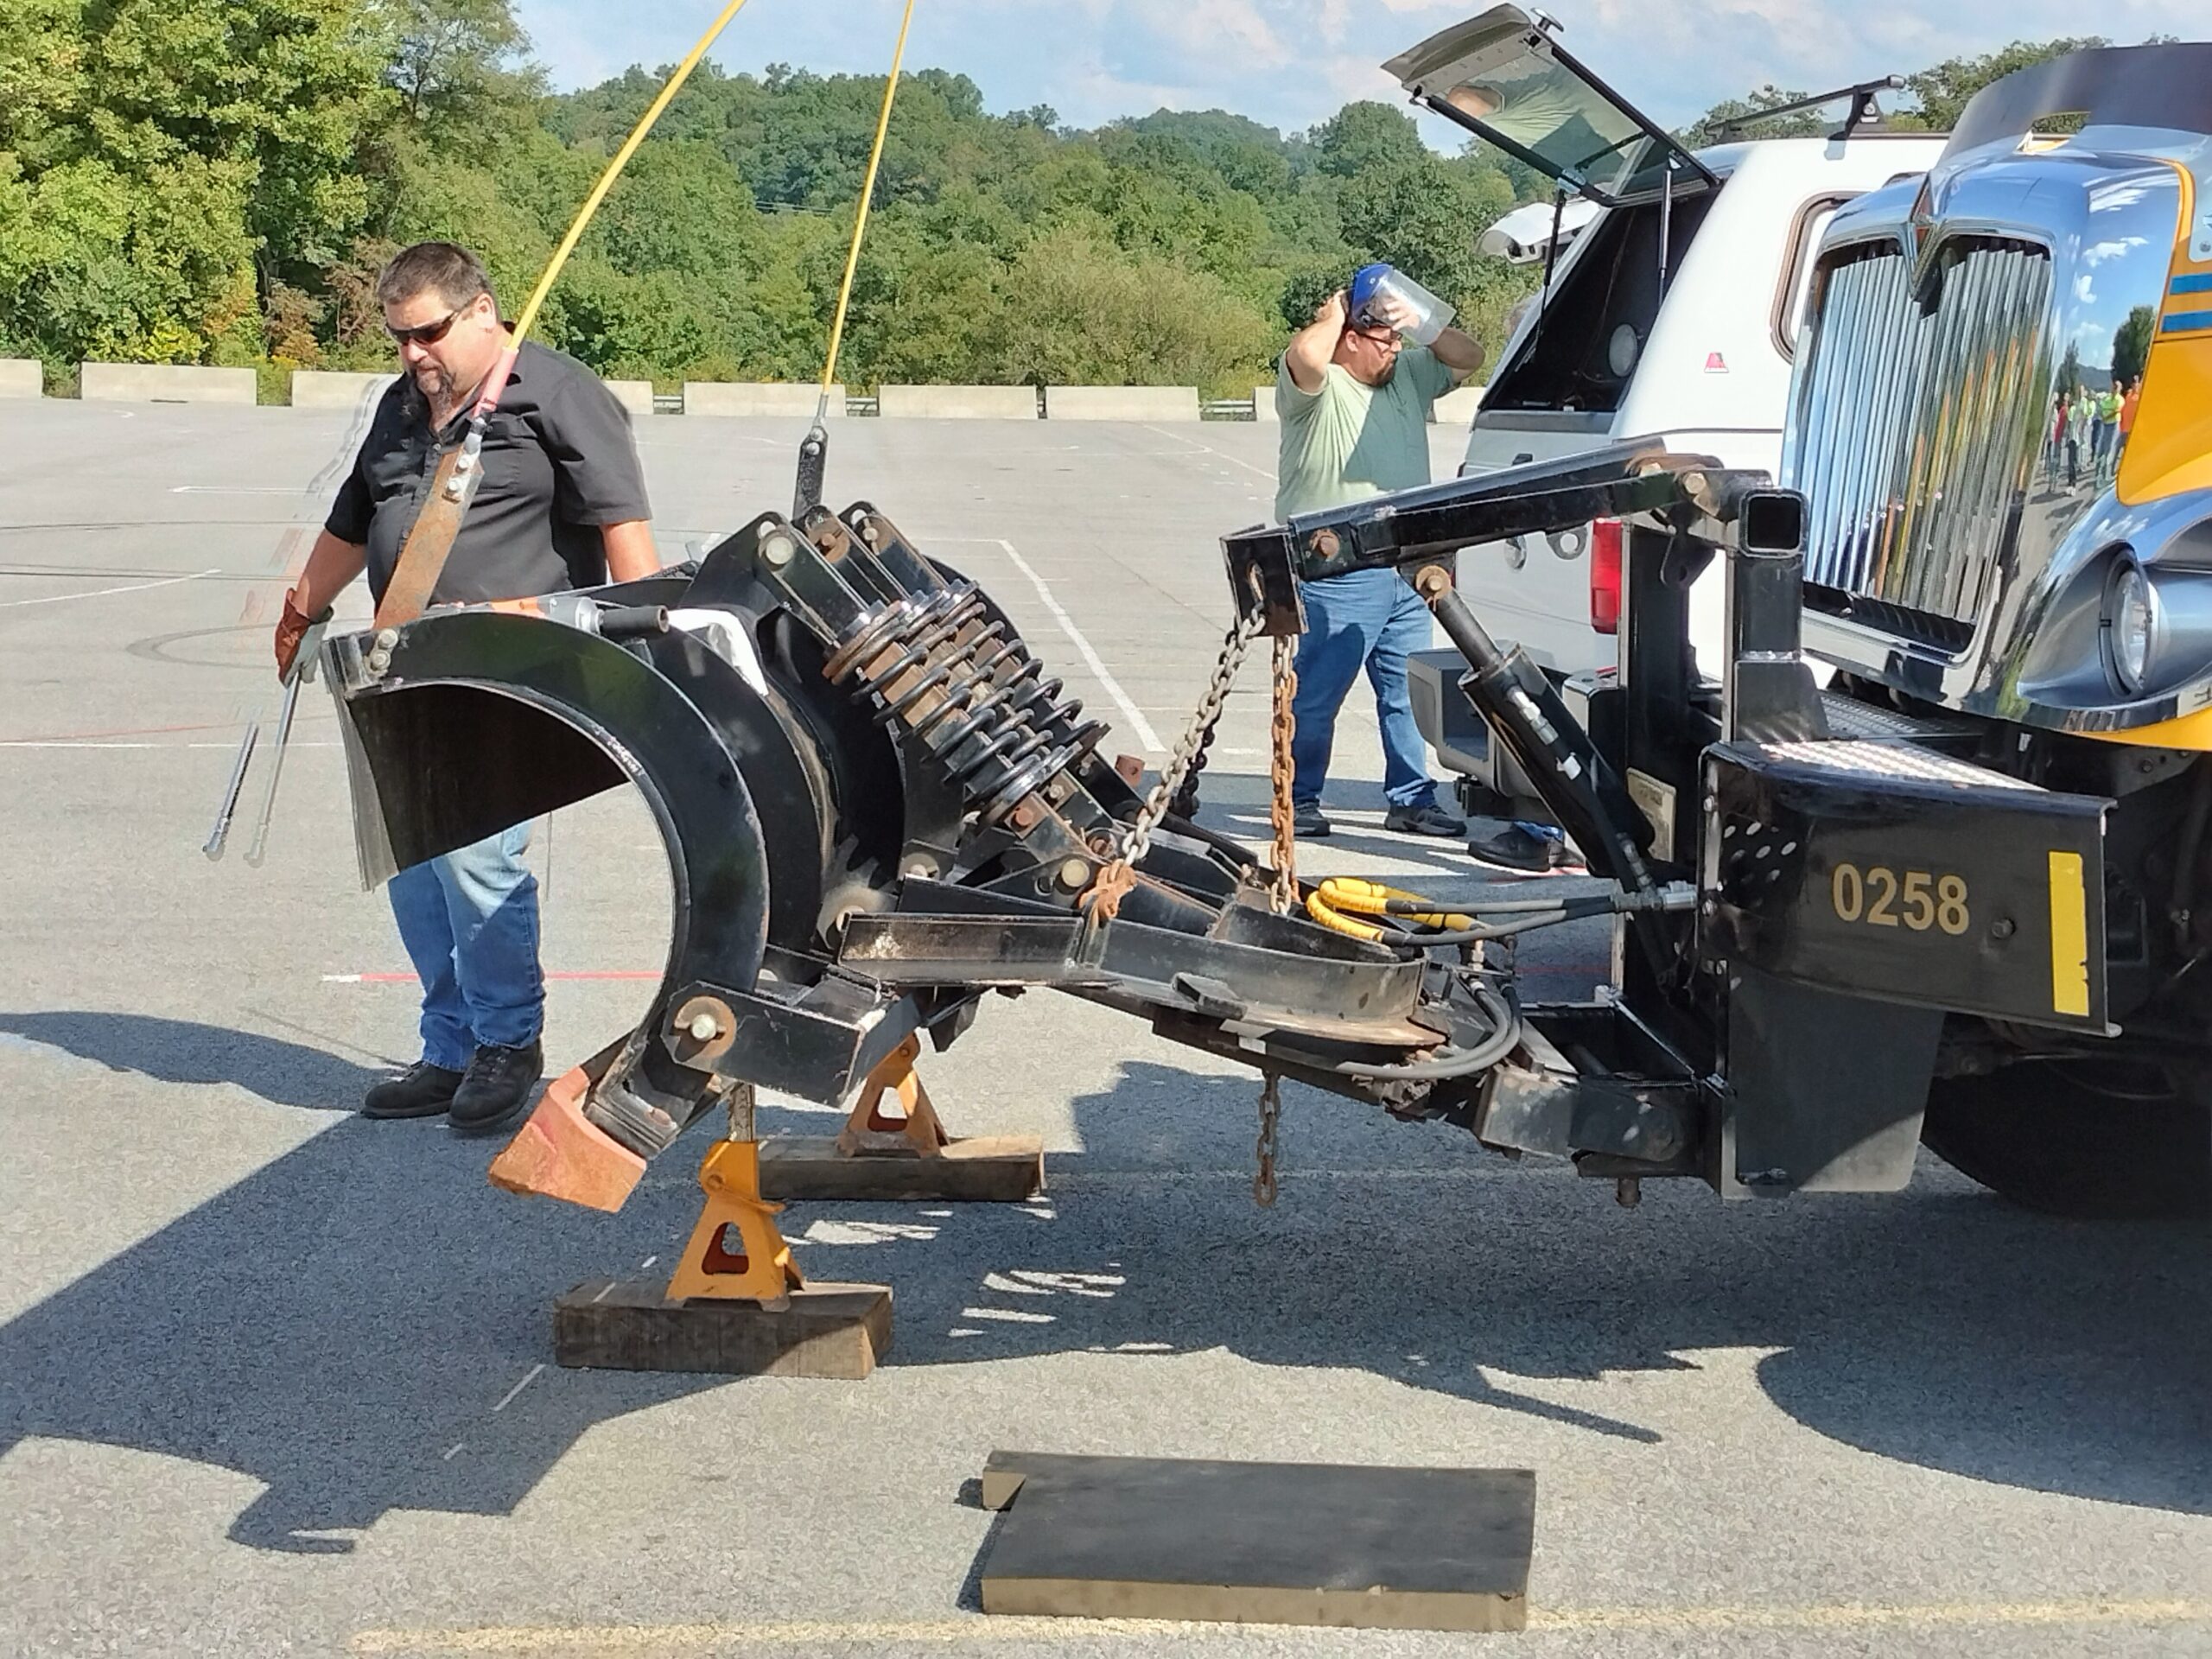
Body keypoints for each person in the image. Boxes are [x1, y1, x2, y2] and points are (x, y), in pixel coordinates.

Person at [273, 242, 660, 1132]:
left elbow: (627, 539)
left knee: (476, 858)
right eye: (399, 339)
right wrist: (299, 609)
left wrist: (643, 647)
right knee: (414, 860)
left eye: (428, 334)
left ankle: (505, 1044)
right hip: (403, 660)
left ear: (483, 311)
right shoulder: (402, 407)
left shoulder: (559, 397)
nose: (414, 355)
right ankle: (448, 1045)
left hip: (508, 663)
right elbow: (354, 515)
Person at [1275, 264, 1485, 840]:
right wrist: (1337, 311)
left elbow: (1469, 356)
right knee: (1318, 692)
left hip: (1405, 563)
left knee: (1406, 693)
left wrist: (1419, 322)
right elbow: (1309, 356)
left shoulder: (1408, 375)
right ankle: (1299, 797)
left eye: (1397, 340)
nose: (1394, 349)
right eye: (1382, 339)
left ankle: (1412, 798)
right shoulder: (1316, 387)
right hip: (1339, 565)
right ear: (1350, 337)